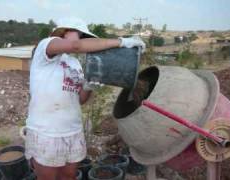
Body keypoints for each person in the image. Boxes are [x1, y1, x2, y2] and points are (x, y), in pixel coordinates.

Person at [25, 17, 145, 180]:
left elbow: (80, 99)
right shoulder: (45, 47)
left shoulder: (74, 63)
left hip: (72, 130)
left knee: (69, 176)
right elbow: (75, 45)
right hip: (46, 132)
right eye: (79, 34)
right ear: (64, 32)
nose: (81, 39)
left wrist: (89, 87)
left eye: (83, 37)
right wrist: (121, 41)